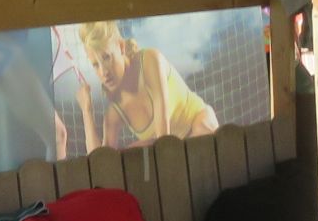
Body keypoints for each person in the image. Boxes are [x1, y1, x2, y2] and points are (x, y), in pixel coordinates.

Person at [67, 20, 218, 150]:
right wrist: (86, 111)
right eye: (95, 65)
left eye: (106, 57)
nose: (103, 71)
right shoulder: (114, 113)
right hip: (177, 150)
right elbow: (99, 163)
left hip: (200, 127)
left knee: (199, 132)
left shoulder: (150, 61)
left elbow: (164, 142)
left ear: (121, 47)